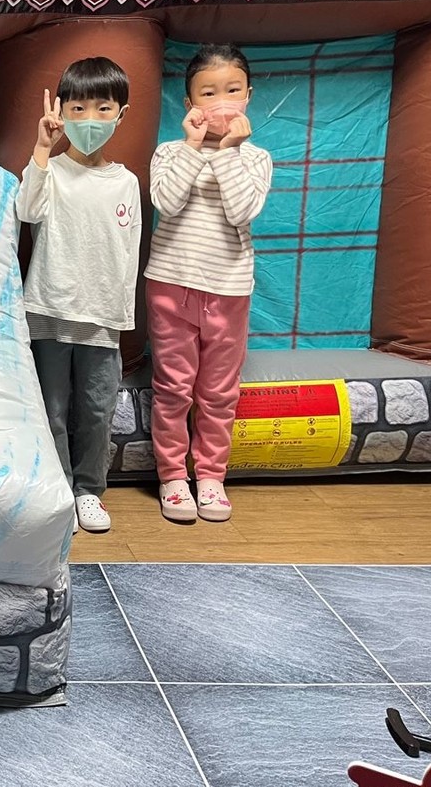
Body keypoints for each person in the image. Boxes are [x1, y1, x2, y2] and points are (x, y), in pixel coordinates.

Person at [15, 57, 142, 534]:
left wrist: (121, 314)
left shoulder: (126, 182)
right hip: (48, 311)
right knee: (51, 409)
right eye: (78, 108)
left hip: (102, 319)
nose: (90, 119)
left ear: (120, 115)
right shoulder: (49, 171)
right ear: (62, 111)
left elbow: (129, 252)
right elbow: (27, 211)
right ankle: (59, 491)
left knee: (96, 411)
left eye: (102, 108)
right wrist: (42, 149)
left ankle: (89, 491)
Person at [146, 43, 272, 522]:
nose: (222, 101)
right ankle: (172, 477)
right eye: (209, 92)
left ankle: (212, 477)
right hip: (170, 285)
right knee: (173, 388)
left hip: (229, 289)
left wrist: (227, 152)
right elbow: (167, 202)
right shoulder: (170, 152)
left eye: (232, 90)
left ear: (248, 96)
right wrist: (194, 148)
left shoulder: (255, 159)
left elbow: (242, 211)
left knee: (219, 392)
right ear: (189, 103)